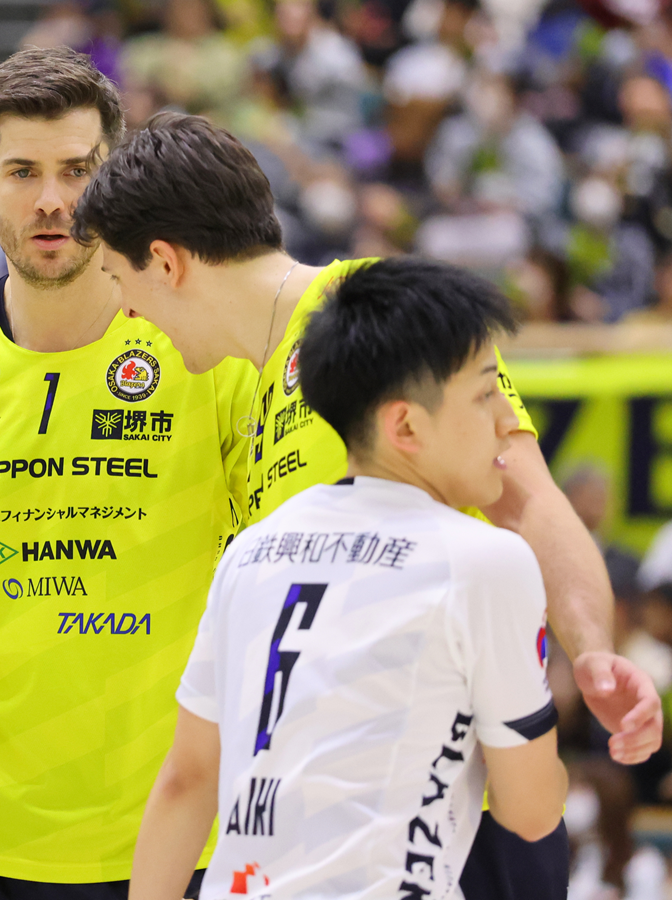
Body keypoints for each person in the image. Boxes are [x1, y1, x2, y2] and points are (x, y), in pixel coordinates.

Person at [74, 110, 660, 900]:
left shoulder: (377, 314)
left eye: (118, 279)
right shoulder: (247, 384)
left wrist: (589, 650)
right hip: (316, 836)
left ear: (166, 262)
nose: (125, 313)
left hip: (454, 826)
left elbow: (524, 497)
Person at [0, 48, 256, 898]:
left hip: (179, 842)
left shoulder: (205, 351)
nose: (51, 200)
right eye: (22, 172)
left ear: (114, 179)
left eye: (78, 171)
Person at [129, 256, 567, 900]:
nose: (507, 421)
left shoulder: (249, 553)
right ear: (405, 425)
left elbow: (185, 782)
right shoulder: (485, 562)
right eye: (484, 395)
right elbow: (530, 810)